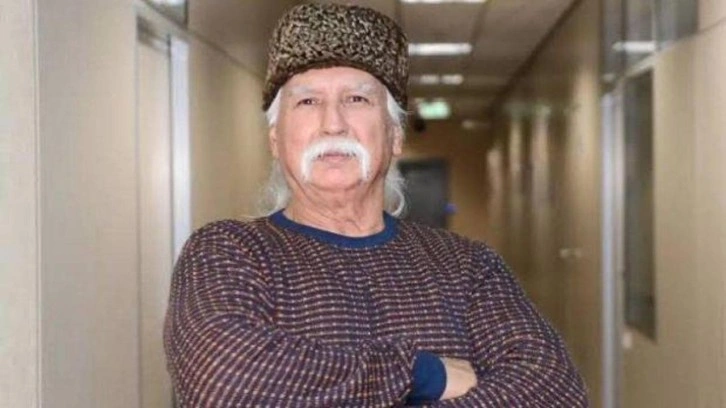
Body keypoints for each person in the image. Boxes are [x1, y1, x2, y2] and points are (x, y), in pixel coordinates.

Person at [164, 3, 588, 407]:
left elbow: (553, 391)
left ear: (394, 135)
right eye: (308, 102)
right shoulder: (228, 252)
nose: (333, 123)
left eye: (357, 100)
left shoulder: (468, 266)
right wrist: (422, 374)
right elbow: (223, 378)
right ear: (275, 139)